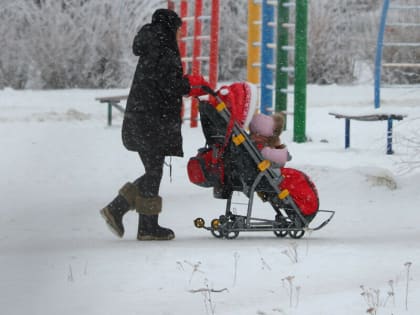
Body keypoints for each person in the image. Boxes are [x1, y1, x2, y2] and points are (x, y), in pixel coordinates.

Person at [100, 8, 207, 241]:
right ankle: (122, 211)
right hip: (152, 120)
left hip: (142, 118)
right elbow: (167, 83)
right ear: (170, 27)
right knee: (154, 171)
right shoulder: (164, 47)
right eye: (178, 28)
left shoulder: (151, 44)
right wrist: (188, 86)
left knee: (153, 171)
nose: (178, 34)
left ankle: (145, 225)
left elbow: (160, 80)